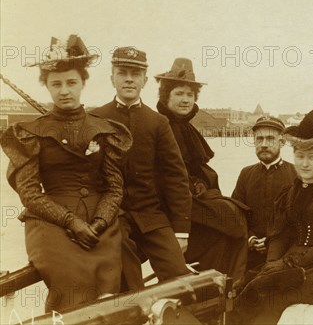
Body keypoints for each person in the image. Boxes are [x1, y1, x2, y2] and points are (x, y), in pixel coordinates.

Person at [0, 35, 132, 311]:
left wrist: (98, 222)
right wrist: (71, 222)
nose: (64, 91)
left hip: (100, 221)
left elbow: (114, 188)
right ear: (46, 86)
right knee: (73, 283)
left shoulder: (104, 129)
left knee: (108, 286)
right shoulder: (31, 133)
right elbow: (30, 193)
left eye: (71, 83)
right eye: (55, 84)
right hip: (50, 223)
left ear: (83, 83)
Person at [232, 101, 313, 325]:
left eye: (312, 157)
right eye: (300, 156)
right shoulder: (290, 193)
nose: (305, 164)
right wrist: (272, 262)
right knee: (248, 287)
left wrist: (291, 264)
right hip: (291, 262)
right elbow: (280, 234)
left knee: (273, 298)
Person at [92, 48, 192, 291]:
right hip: (114, 217)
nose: (129, 79)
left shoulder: (158, 122)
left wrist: (181, 231)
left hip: (151, 214)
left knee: (178, 278)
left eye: (135, 74)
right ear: (112, 78)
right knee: (127, 279)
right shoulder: (95, 118)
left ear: (144, 80)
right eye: (122, 73)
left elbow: (175, 176)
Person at [154, 58, 249, 282]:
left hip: (192, 199)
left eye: (190, 94)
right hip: (173, 204)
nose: (186, 99)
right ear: (166, 95)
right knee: (235, 221)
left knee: (235, 218)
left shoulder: (184, 127)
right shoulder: (160, 125)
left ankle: (225, 284)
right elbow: (165, 177)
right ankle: (229, 284)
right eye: (179, 93)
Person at [232, 116, 296, 275]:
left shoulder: (296, 174)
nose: (264, 144)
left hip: (284, 249)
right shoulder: (246, 174)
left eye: (270, 139)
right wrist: (251, 239)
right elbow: (235, 213)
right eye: (259, 139)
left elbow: (299, 219)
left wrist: (271, 241)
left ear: (281, 142)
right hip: (249, 248)